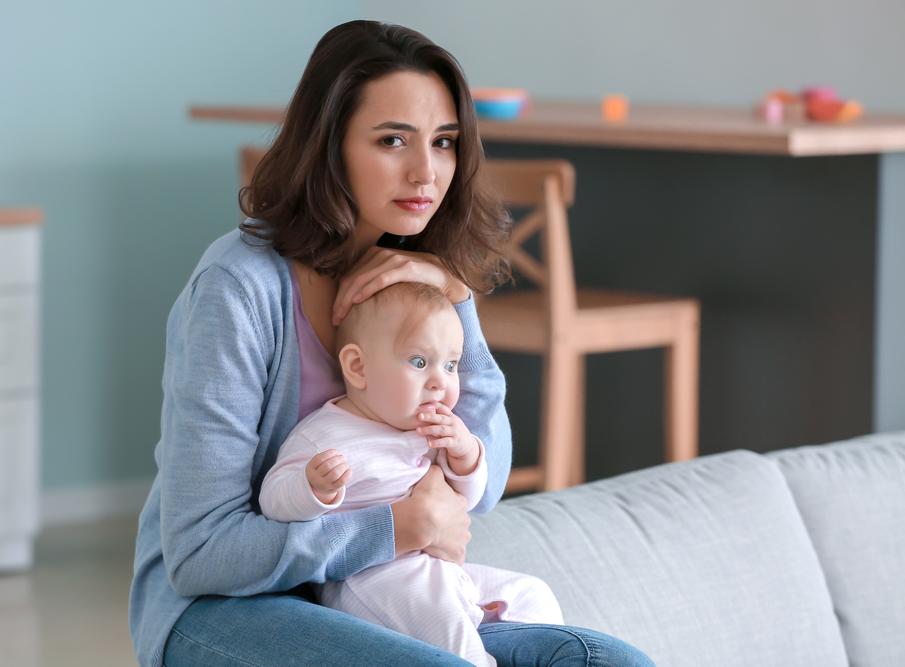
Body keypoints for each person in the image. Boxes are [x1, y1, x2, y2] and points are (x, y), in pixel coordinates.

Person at [129, 19, 655, 667]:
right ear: (330, 147)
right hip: (221, 610)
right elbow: (199, 554)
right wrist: (395, 527)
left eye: (443, 142)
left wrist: (456, 295)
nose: (425, 171)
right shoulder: (238, 288)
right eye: (391, 140)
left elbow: (481, 484)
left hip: (380, 593)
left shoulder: (417, 273)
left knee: (608, 661)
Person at [260, 282, 564, 667]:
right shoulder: (323, 435)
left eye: (451, 365)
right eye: (420, 362)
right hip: (372, 578)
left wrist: (465, 452)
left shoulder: (429, 431)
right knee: (455, 640)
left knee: (534, 594)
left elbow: (466, 501)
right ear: (358, 367)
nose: (440, 381)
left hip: (441, 570)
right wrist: (311, 488)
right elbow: (273, 499)